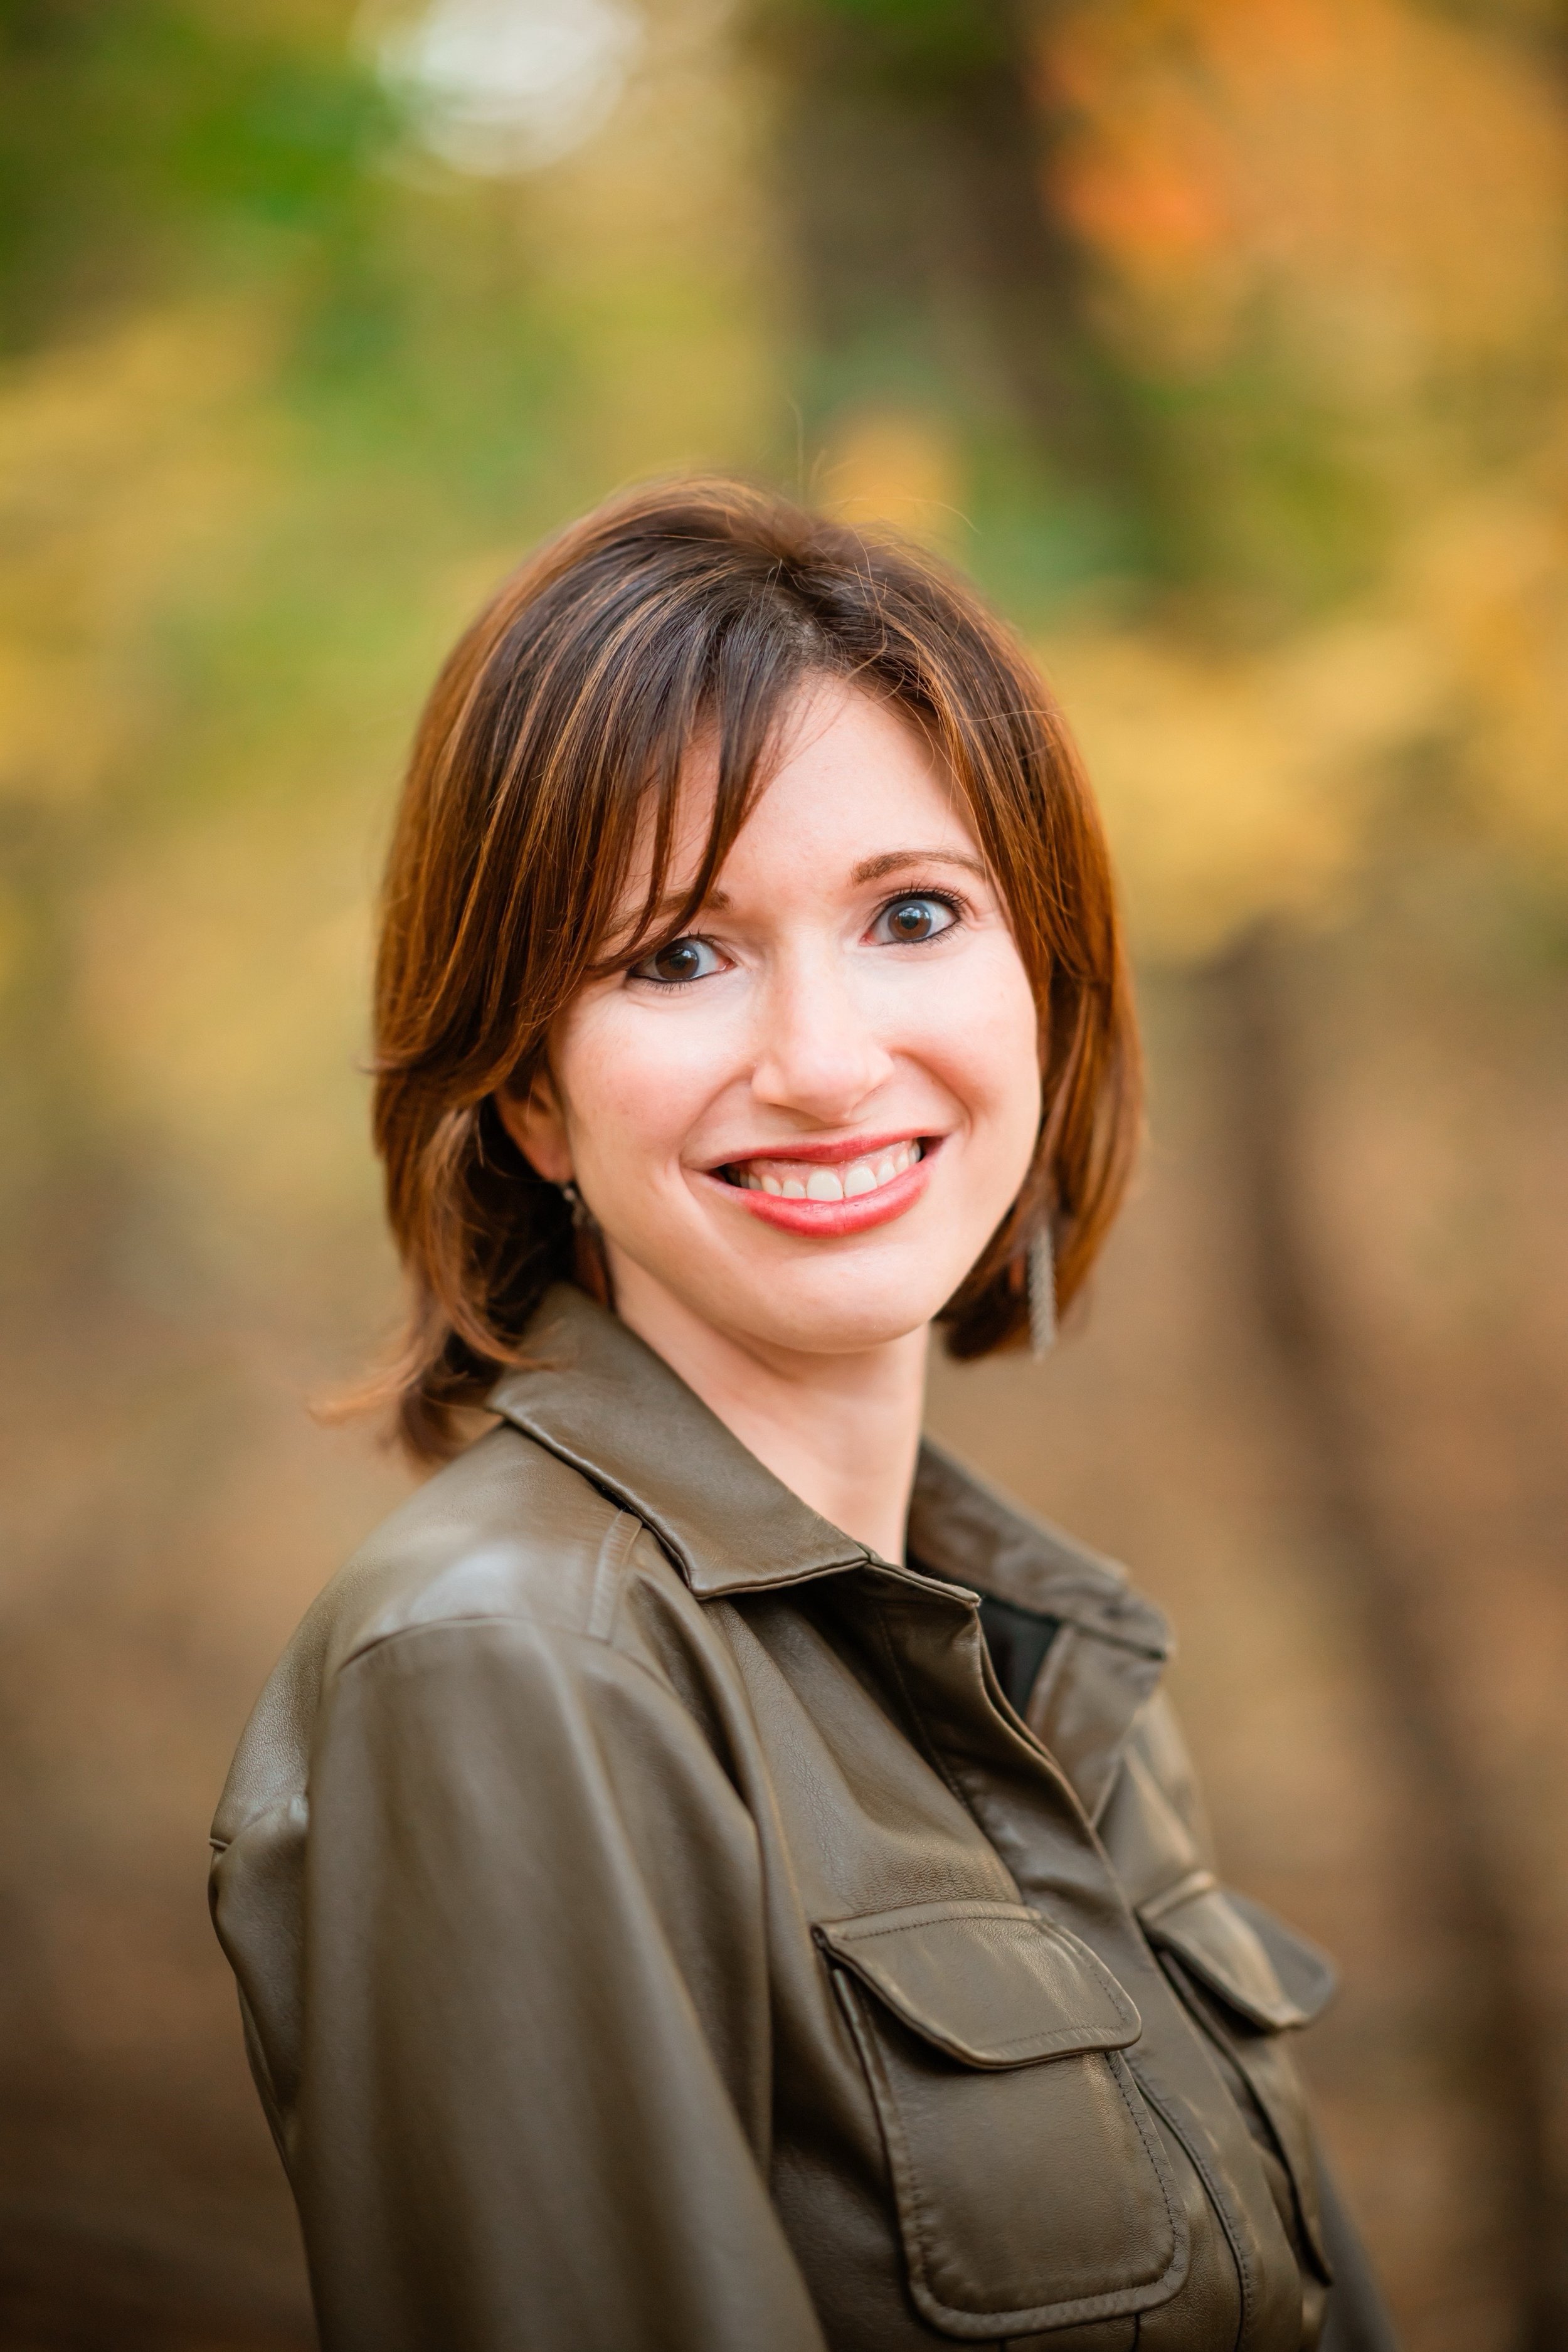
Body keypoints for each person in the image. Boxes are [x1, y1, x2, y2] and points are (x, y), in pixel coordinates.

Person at [209, 479, 1397, 2350]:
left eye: (914, 915)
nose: (829, 1064)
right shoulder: (504, 1672)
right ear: (529, 1094)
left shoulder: (1045, 1651)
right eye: (678, 955)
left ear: (1045, 989)